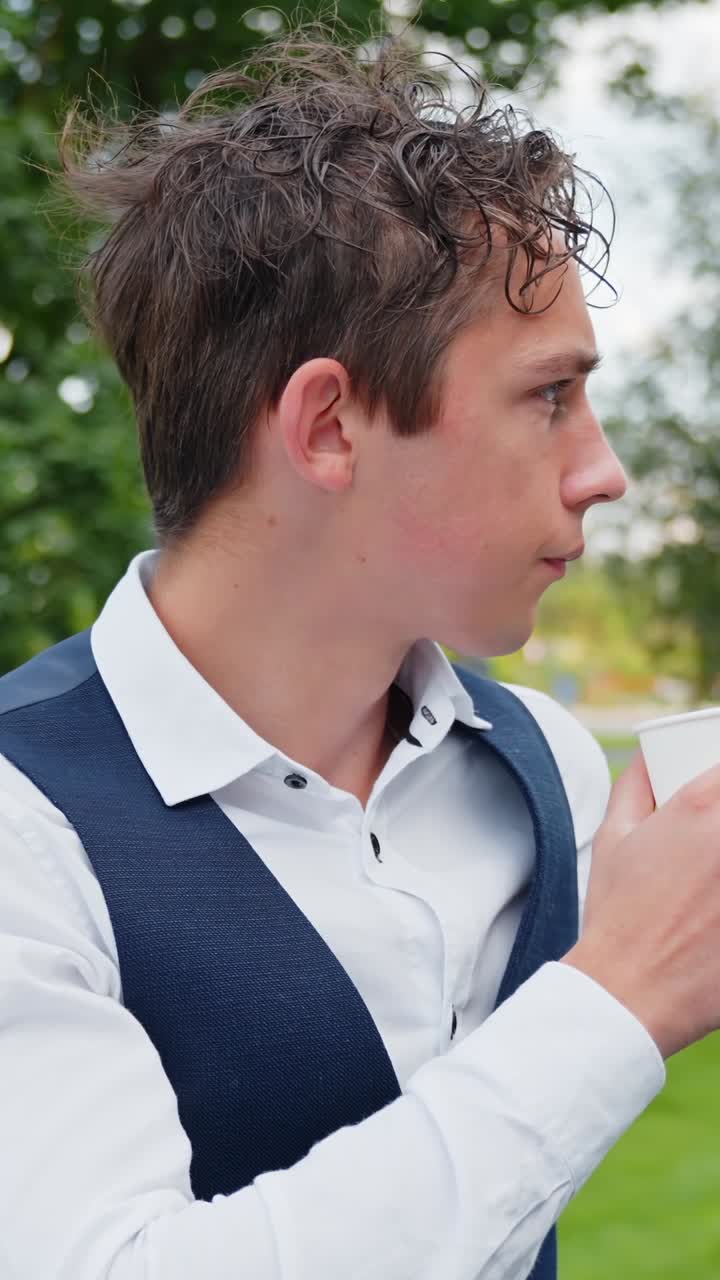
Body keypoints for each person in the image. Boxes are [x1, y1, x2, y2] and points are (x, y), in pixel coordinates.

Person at [2, 29, 720, 1280]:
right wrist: (616, 999)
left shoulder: (546, 762)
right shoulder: (22, 819)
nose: (604, 470)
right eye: (550, 396)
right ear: (329, 426)